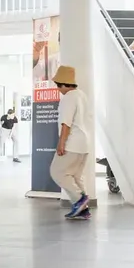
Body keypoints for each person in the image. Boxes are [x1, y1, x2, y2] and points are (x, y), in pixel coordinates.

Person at [49, 65, 94, 220]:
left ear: (62, 84)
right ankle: (83, 209)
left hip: (72, 143)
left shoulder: (68, 97)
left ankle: (79, 199)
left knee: (57, 172)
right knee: (76, 176)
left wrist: (61, 143)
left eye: (58, 85)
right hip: (84, 144)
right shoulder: (82, 95)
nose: (58, 89)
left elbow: (66, 123)